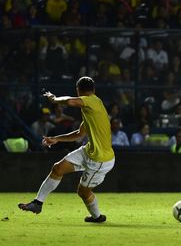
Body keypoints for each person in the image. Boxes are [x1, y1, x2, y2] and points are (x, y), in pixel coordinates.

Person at [18, 76, 115, 223]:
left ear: (78, 91)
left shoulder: (92, 101)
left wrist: (54, 99)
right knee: (58, 168)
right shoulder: (92, 110)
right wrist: (56, 139)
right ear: (93, 89)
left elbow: (70, 101)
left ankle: (97, 217)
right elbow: (79, 134)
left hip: (100, 160)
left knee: (83, 192)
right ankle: (37, 203)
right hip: (89, 151)